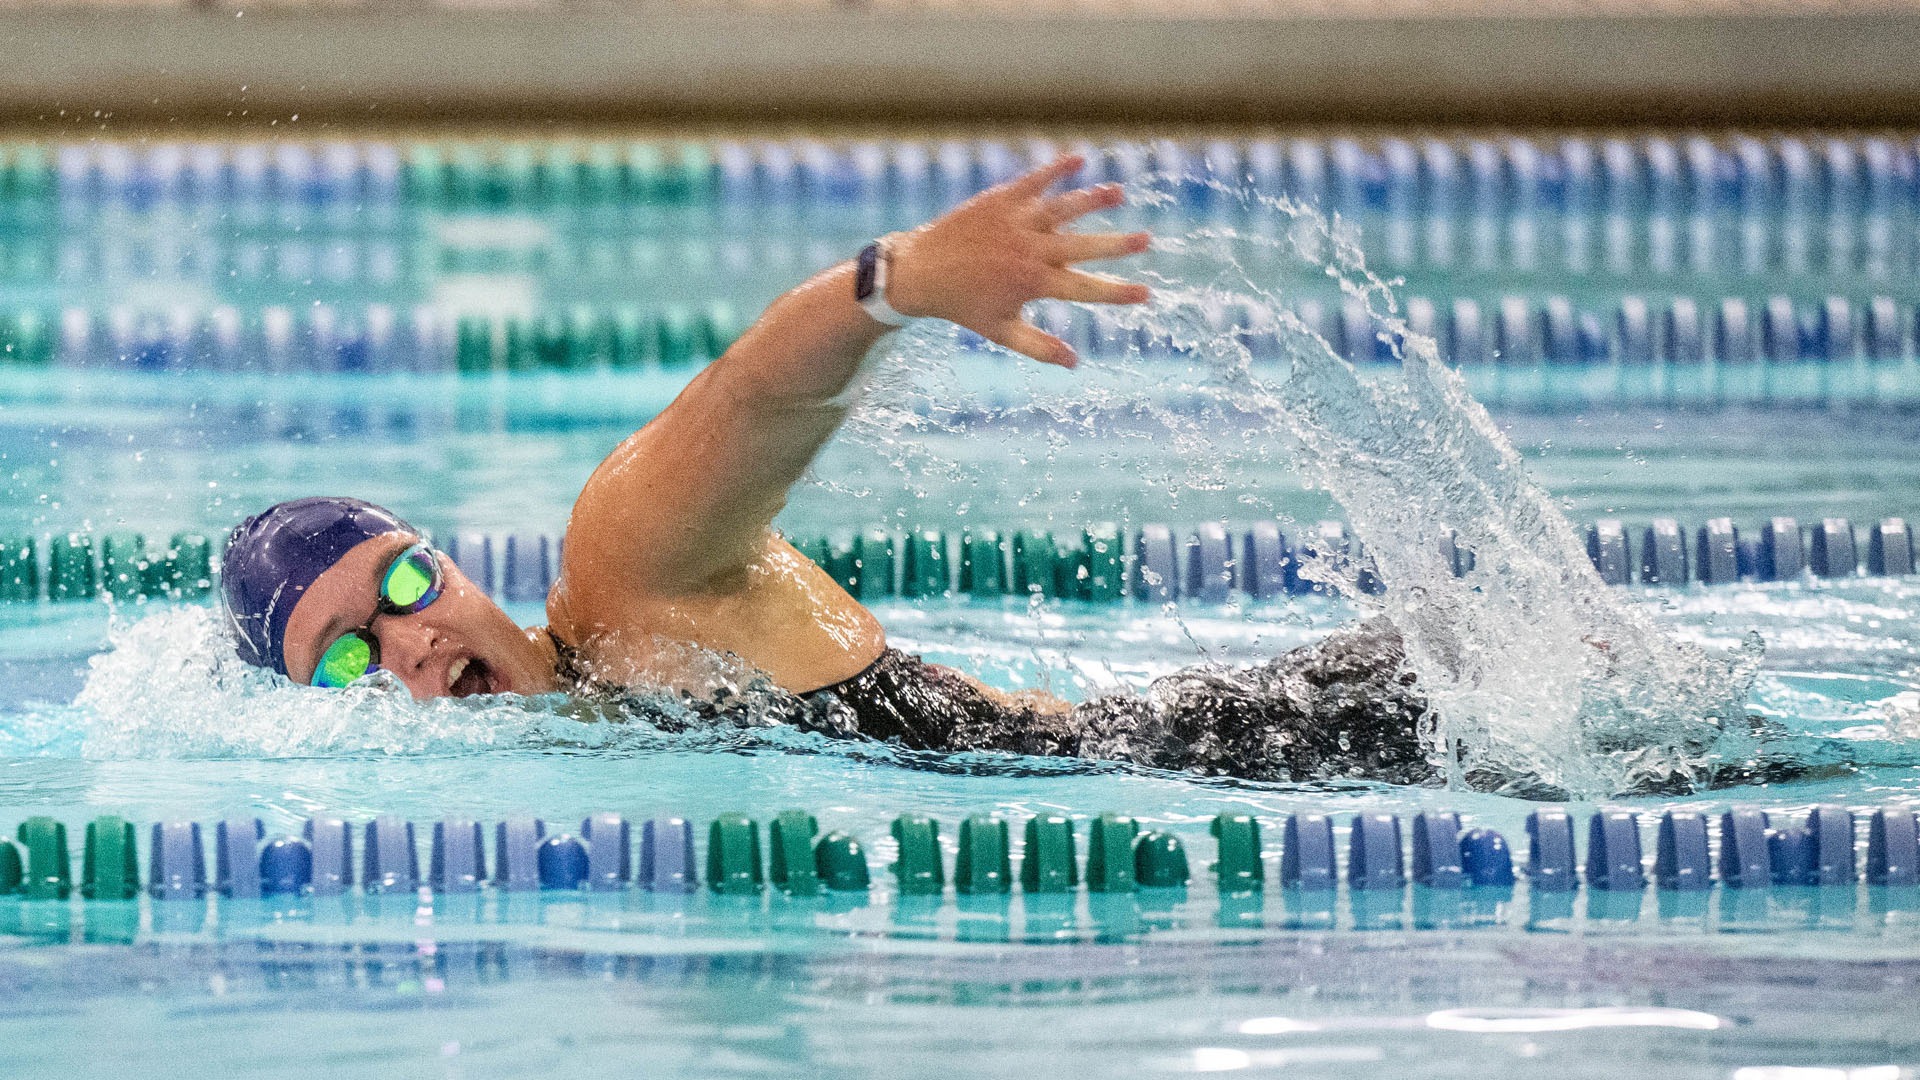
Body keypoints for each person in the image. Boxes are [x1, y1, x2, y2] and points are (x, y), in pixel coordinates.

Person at [222, 155, 1436, 786]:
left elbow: (754, 394)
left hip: (1320, 737)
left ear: (450, 566)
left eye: (397, 591)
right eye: (344, 658)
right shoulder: (582, 740)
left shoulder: (627, 574)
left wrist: (893, 285)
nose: (410, 646)